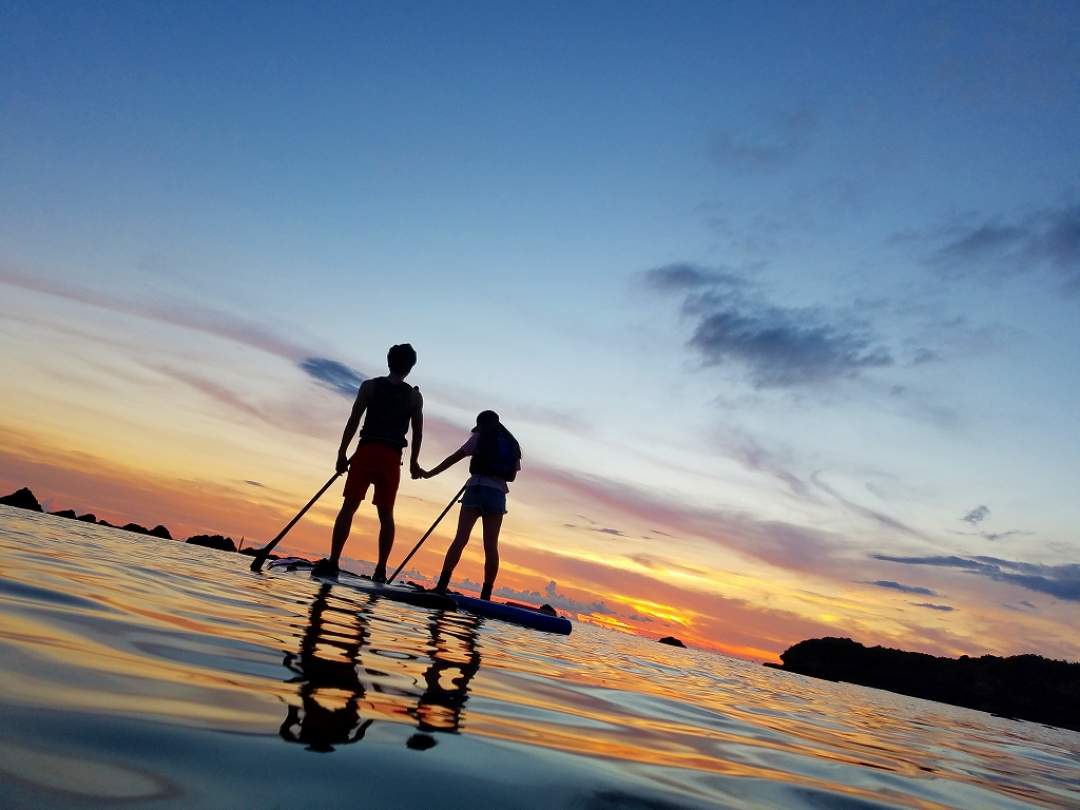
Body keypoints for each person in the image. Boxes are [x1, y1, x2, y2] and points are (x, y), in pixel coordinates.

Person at [314, 343, 423, 580]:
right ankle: (381, 569)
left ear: (389, 361)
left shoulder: (369, 387)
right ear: (410, 368)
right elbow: (417, 433)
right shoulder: (414, 397)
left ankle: (333, 561)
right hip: (390, 459)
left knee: (349, 508)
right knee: (386, 515)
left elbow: (353, 420)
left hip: (366, 453)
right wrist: (414, 463)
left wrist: (341, 453)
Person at [420, 410, 521, 600]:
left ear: (481, 425)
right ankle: (485, 596)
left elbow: (454, 458)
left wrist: (429, 473)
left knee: (460, 539)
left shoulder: (479, 437)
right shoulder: (511, 444)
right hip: (497, 495)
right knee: (491, 547)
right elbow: (512, 477)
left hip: (475, 489)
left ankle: (442, 586)